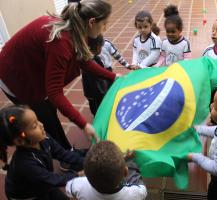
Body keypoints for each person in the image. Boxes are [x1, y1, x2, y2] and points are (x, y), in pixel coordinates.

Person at [0, 0, 116, 151]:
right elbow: (54, 92)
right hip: (15, 75)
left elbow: (84, 61)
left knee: (49, 111)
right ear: (92, 22)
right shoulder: (61, 42)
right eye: (104, 24)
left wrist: (112, 77)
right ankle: (65, 157)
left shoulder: (77, 27)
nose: (104, 29)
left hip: (30, 67)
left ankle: (64, 150)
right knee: (45, 116)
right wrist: (84, 124)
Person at [0, 105, 84, 200]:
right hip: (27, 196)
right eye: (34, 125)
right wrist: (78, 175)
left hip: (42, 182)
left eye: (37, 120)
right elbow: (51, 179)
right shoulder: (25, 164)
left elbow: (63, 154)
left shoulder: (44, 138)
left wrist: (86, 163)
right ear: (20, 141)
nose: (41, 125)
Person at [65, 141, 147, 200]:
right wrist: (130, 162)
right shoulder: (134, 194)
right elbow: (142, 189)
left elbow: (69, 190)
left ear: (85, 173)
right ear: (126, 172)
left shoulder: (79, 184)